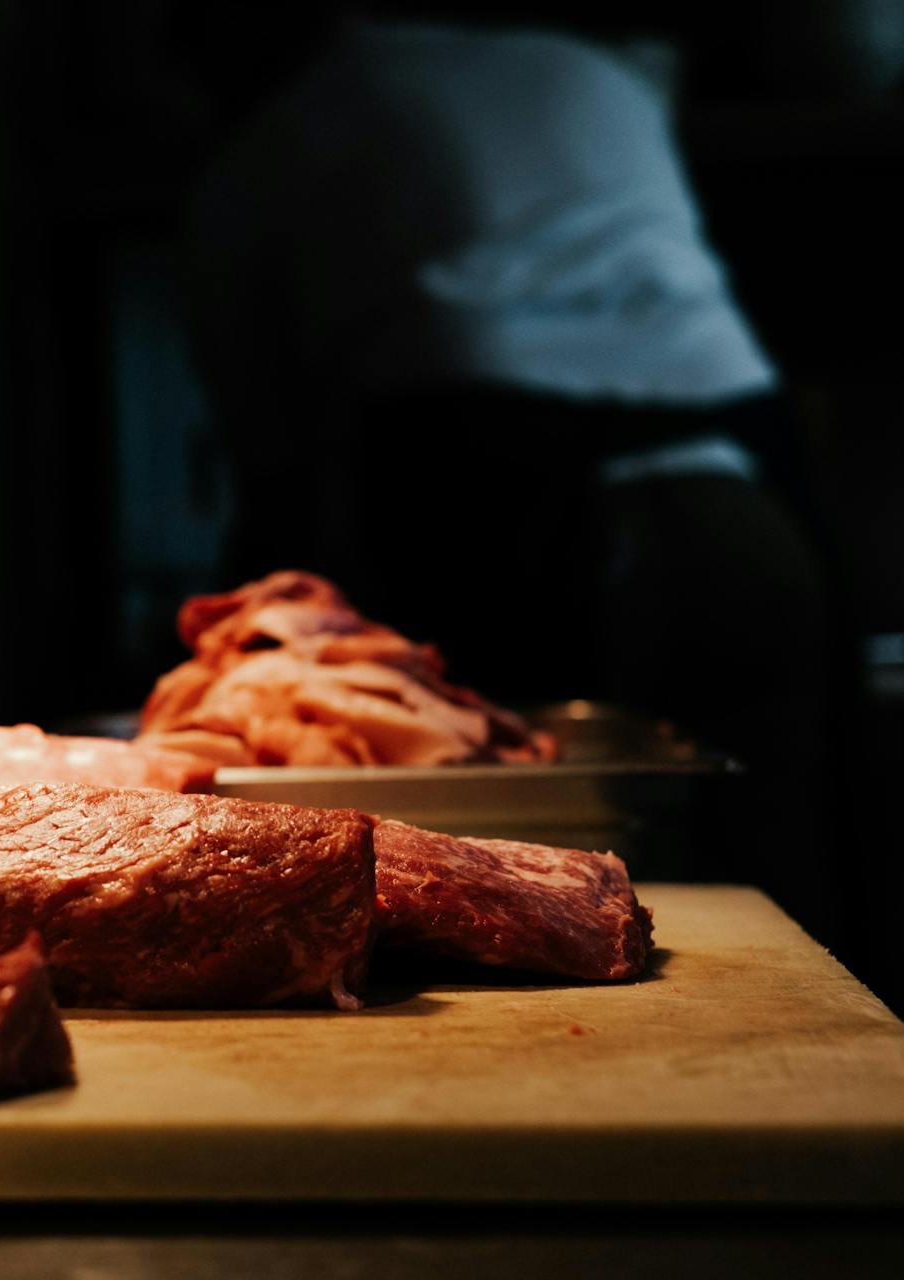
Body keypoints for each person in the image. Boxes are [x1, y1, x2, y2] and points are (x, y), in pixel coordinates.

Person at [185, 16, 846, 930]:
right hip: (737, 485)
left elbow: (268, 454)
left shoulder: (271, 142)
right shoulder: (591, 67)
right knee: (775, 866)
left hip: (490, 494)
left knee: (500, 875)